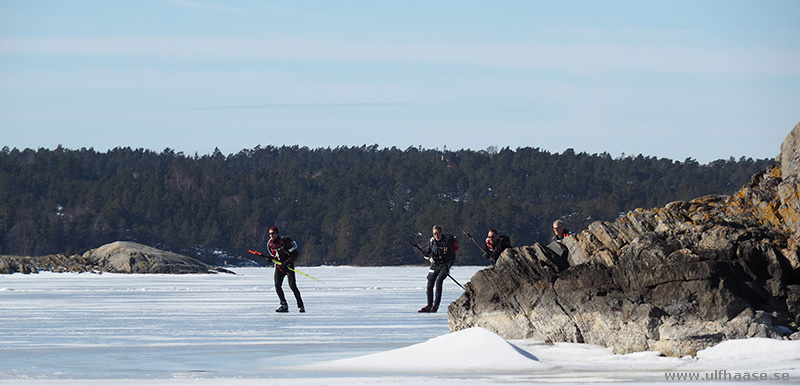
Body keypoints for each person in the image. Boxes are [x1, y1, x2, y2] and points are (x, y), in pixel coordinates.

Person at [420, 225, 458, 313]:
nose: (437, 235)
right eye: (435, 234)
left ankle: (436, 305)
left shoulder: (447, 241)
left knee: (439, 281)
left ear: (441, 233)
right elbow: (428, 251)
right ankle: (429, 305)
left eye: (438, 233)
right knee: (430, 283)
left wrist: (440, 258)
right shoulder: (432, 241)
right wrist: (426, 255)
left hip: (445, 265)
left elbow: (450, 255)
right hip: (435, 265)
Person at [267, 226, 305, 313]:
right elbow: (275, 255)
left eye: (273, 233)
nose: (271, 235)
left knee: (292, 286)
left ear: (277, 233)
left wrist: (287, 262)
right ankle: (283, 304)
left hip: (288, 267)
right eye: (270, 233)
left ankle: (300, 305)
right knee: (277, 286)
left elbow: (295, 254)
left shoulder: (284, 242)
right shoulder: (270, 244)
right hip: (279, 267)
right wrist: (270, 258)